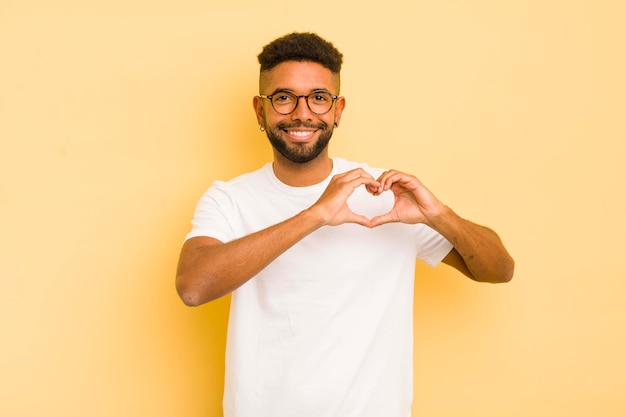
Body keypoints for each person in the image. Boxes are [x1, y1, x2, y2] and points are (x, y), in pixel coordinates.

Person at [176, 32, 514, 417]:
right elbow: (193, 286)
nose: (302, 113)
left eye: (319, 98)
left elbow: (499, 270)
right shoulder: (230, 199)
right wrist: (314, 216)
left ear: (337, 110)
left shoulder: (385, 192)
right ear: (259, 110)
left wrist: (438, 214)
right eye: (283, 98)